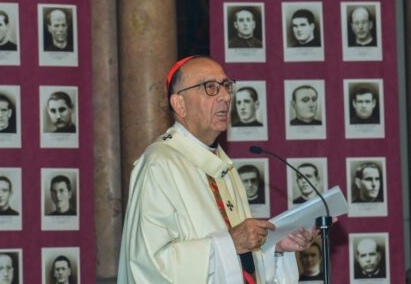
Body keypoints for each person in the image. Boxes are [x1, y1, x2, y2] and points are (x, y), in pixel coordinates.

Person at [118, 55, 316, 283]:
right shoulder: (159, 163)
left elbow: (238, 261)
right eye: (209, 87)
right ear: (179, 104)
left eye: (226, 86)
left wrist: (275, 246)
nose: (225, 96)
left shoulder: (223, 167)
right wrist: (230, 242)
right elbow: (149, 264)